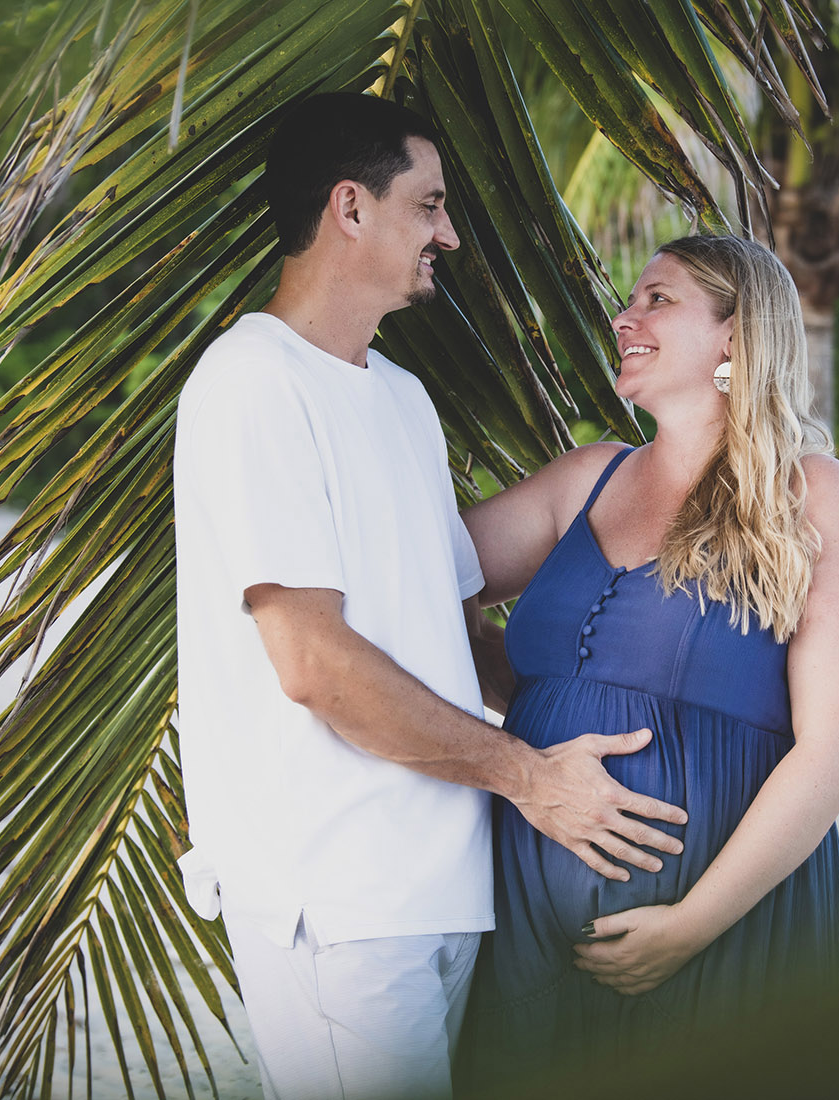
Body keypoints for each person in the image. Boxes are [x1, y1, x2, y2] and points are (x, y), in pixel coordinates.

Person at [170, 92, 687, 1100]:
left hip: (451, 884)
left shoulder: (403, 399)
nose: (448, 232)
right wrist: (533, 778)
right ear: (350, 208)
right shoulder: (249, 382)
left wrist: (613, 705)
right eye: (430, 204)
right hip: (339, 892)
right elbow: (315, 664)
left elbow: (454, 633)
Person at [460, 234, 839, 1078]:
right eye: (632, 300)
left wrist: (690, 926)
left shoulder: (810, 492)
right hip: (527, 920)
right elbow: (420, 583)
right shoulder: (586, 479)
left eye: (658, 299)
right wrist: (542, 721)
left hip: (720, 937)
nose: (624, 318)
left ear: (736, 335)